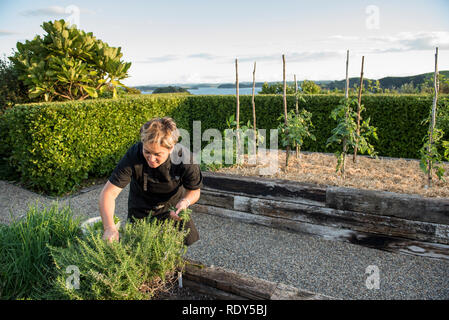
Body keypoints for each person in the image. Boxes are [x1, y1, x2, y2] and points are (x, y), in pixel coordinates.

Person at [98, 117, 202, 246]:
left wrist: (185, 201)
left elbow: (194, 190)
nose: (151, 159)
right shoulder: (134, 155)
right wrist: (109, 228)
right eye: (147, 151)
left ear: (171, 148)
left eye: (158, 154)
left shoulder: (186, 159)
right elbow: (108, 193)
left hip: (173, 209)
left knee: (172, 252)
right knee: (139, 250)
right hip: (141, 210)